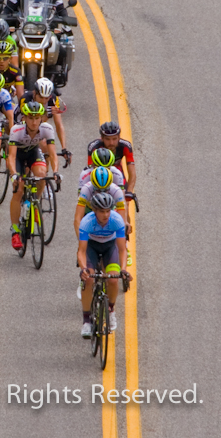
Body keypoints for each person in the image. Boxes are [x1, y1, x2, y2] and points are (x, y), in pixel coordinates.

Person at [6, 100, 58, 251]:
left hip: (33, 152)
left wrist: (55, 172)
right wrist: (14, 175)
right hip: (18, 156)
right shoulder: (16, 130)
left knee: (41, 175)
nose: (34, 122)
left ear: (41, 118)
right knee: (19, 189)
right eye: (30, 118)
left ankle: (35, 202)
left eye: (37, 118)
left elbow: (53, 154)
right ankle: (15, 231)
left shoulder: (47, 129)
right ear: (24, 118)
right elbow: (11, 157)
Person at [77, 192, 130, 337]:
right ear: (95, 211)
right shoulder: (87, 222)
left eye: (108, 211)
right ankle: (86, 321)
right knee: (89, 279)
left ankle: (111, 310)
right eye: (101, 211)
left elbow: (122, 249)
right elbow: (81, 251)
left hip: (110, 247)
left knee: (113, 280)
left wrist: (123, 269)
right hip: (92, 247)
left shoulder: (117, 220)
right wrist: (83, 269)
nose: (105, 215)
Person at [87, 121, 137, 266]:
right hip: (99, 176)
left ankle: (124, 245)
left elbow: (132, 174)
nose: (111, 143)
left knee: (124, 206)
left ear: (119, 137)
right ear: (102, 138)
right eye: (108, 139)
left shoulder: (125, 146)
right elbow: (90, 171)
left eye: (115, 139)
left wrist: (129, 192)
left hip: (117, 176)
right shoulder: (94, 147)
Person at [75, 166, 129, 238]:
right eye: (98, 190)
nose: (101, 193)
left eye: (106, 190)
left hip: (109, 210)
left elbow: (122, 222)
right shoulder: (86, 189)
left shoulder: (116, 191)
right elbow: (77, 219)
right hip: (90, 209)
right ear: (93, 185)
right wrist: (81, 241)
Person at [32, 76, 69, 160]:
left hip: (39, 125)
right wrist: (47, 115)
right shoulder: (27, 99)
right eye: (41, 97)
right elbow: (27, 123)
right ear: (35, 93)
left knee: (46, 146)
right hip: (24, 125)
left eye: (46, 98)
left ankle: (45, 167)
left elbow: (59, 125)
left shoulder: (53, 99)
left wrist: (64, 148)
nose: (43, 101)